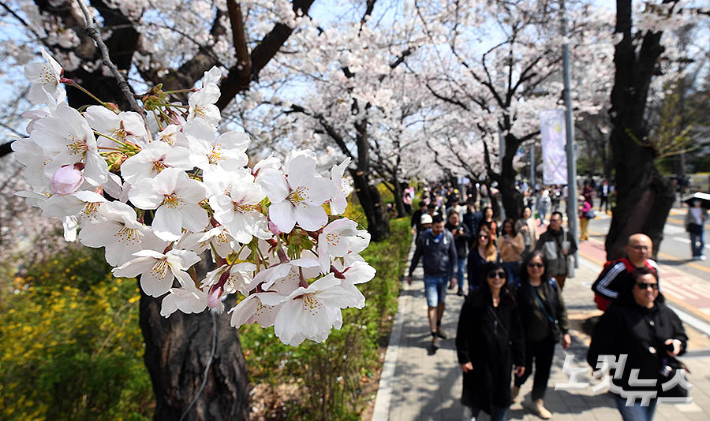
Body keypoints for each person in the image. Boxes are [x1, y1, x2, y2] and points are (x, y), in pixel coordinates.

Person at [587, 267, 688, 421]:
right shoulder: (617, 314)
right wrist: (597, 365)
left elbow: (681, 336)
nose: (649, 290)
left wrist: (677, 344)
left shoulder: (666, 313)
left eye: (653, 286)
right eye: (642, 285)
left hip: (655, 384)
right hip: (628, 386)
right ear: (631, 288)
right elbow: (600, 342)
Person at [456, 262, 525, 421]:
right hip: (478, 360)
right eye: (492, 275)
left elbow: (517, 333)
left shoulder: (509, 300)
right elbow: (463, 330)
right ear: (486, 277)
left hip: (503, 360)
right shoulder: (474, 299)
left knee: (501, 398)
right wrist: (464, 358)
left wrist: (520, 360)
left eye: (501, 275)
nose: (497, 278)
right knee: (476, 396)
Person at [513, 251, 571, 419]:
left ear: (545, 267)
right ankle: (516, 387)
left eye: (539, 265)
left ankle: (537, 401)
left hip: (547, 337)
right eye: (532, 265)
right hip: (525, 338)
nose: (535, 268)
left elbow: (561, 308)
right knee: (524, 369)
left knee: (543, 371)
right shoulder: (518, 286)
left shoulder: (551, 284)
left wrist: (565, 331)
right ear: (526, 266)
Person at [407, 214, 457, 349]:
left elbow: (453, 256)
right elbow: (417, 255)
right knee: (432, 304)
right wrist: (410, 273)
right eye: (437, 227)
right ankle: (434, 334)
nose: (439, 230)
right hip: (430, 276)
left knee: (441, 303)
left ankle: (438, 324)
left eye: (441, 227)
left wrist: (453, 276)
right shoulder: (424, 237)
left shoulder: (448, 236)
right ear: (432, 226)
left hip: (444, 275)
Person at [592, 233, 659, 311]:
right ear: (628, 249)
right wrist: (622, 298)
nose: (642, 251)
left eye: (646, 248)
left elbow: (658, 289)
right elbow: (598, 287)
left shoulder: (652, 266)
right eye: (638, 247)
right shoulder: (618, 267)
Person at [535, 211, 577, 290]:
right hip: (549, 270)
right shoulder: (544, 236)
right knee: (550, 291)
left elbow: (574, 247)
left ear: (561, 221)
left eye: (554, 220)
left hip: (563, 270)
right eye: (551, 220)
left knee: (559, 291)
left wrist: (568, 252)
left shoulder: (567, 235)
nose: (552, 223)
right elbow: (537, 251)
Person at [446, 210, 472, 296]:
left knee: (461, 271)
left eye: (456, 218)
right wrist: (451, 235)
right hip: (449, 253)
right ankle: (452, 281)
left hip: (461, 252)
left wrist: (462, 234)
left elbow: (469, 235)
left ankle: (460, 287)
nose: (455, 220)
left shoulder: (462, 226)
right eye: (453, 218)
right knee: (450, 270)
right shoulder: (447, 227)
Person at [467, 227, 498, 293]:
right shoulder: (473, 252)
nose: (482, 238)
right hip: (477, 285)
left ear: (489, 239)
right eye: (480, 236)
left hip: (492, 286)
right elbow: (470, 271)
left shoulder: (494, 251)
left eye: (485, 237)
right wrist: (470, 286)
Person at [497, 218, 524, 287]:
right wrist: (504, 245)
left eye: (510, 227)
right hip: (506, 263)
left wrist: (513, 243)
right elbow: (500, 252)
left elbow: (521, 249)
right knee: (510, 282)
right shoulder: (501, 238)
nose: (508, 229)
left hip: (517, 262)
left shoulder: (518, 236)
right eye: (506, 227)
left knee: (518, 282)